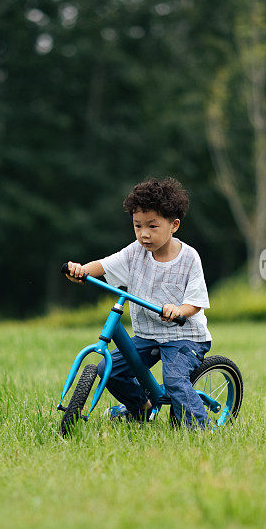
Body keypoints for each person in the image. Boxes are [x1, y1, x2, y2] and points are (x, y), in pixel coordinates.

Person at [65, 177, 212, 430]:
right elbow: (105, 265)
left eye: (152, 226)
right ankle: (141, 409)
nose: (144, 234)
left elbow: (196, 303)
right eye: (137, 226)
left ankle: (202, 429)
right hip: (147, 335)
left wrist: (178, 310)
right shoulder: (135, 252)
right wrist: (82, 270)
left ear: (173, 225)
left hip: (184, 335)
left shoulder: (189, 258)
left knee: (175, 379)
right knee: (108, 370)